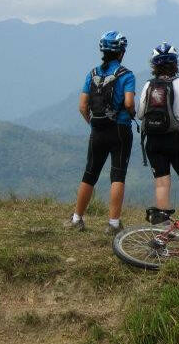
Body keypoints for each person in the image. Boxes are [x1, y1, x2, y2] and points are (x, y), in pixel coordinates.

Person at [65, 30, 135, 235]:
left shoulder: (92, 74)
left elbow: (82, 106)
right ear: (121, 52)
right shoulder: (126, 75)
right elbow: (129, 102)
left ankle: (77, 218)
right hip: (120, 130)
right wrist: (131, 113)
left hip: (97, 129)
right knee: (118, 175)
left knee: (90, 173)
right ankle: (113, 223)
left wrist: (93, 124)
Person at [136, 42, 179, 221]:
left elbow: (141, 114)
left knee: (162, 183)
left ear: (154, 65)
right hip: (176, 139)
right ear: (175, 63)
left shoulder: (148, 85)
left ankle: (163, 229)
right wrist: (178, 115)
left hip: (153, 141)